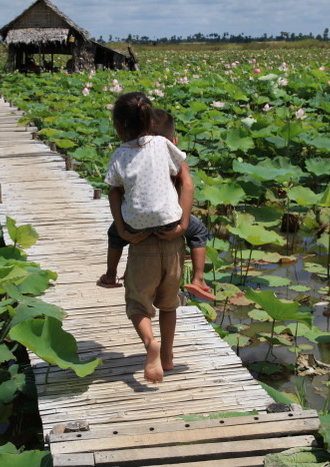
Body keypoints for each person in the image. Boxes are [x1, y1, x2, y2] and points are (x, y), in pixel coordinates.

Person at [103, 92, 186, 383]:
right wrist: (184, 221)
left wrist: (123, 229)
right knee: (169, 302)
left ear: (118, 126)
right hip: (173, 234)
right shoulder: (164, 144)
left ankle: (151, 344)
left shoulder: (119, 154)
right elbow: (183, 178)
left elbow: (113, 190)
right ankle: (168, 356)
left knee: (138, 305)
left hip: (140, 240)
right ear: (150, 120)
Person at [97, 108, 215, 301]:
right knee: (199, 231)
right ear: (172, 143)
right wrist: (183, 225)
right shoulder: (171, 156)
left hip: (134, 223)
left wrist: (121, 227)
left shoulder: (130, 156)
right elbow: (187, 186)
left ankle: (111, 274)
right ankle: (198, 278)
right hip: (170, 219)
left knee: (115, 235)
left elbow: (115, 191)